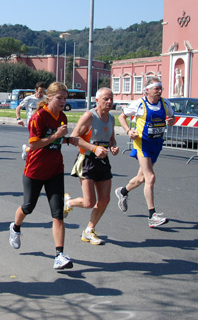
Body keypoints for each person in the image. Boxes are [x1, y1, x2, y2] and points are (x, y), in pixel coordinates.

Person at [8, 82, 78, 270]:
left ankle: (59, 255)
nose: (63, 101)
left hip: (55, 170)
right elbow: (34, 145)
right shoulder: (38, 117)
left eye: (65, 98)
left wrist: (67, 139)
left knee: (58, 214)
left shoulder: (62, 116)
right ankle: (15, 227)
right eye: (59, 98)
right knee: (28, 206)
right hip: (35, 170)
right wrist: (56, 136)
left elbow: (59, 139)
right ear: (49, 98)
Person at [115, 77, 175, 228]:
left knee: (142, 178)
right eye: (156, 88)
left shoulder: (165, 103)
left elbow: (172, 117)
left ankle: (122, 191)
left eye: (161, 88)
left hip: (156, 144)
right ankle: (152, 215)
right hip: (142, 144)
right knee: (151, 177)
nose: (159, 91)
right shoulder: (139, 104)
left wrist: (171, 121)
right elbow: (122, 116)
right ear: (147, 90)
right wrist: (129, 131)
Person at [64, 87, 119, 245]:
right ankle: (69, 203)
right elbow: (74, 137)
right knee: (89, 202)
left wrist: (113, 146)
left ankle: (89, 230)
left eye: (111, 99)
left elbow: (111, 139)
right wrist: (94, 148)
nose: (109, 102)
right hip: (87, 160)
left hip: (103, 162)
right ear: (97, 100)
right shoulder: (89, 116)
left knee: (105, 200)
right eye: (105, 99)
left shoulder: (111, 118)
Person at [16, 82, 46, 159]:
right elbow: (18, 108)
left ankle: (26, 149)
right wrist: (19, 119)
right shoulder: (29, 99)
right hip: (31, 123)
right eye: (40, 92)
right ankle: (31, 154)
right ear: (35, 90)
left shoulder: (45, 99)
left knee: (40, 142)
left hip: (42, 124)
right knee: (36, 142)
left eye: (43, 92)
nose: (41, 94)